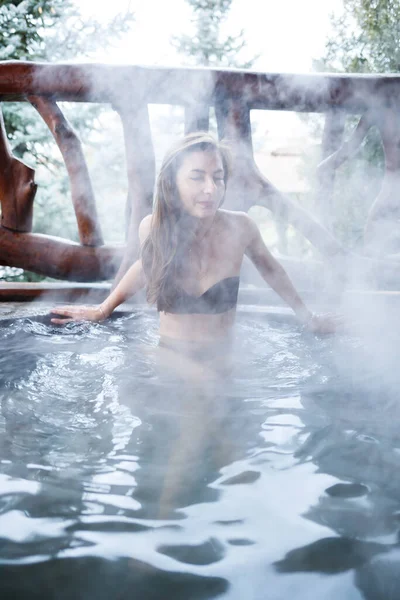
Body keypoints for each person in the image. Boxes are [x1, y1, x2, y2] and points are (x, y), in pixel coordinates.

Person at [50, 132, 341, 359]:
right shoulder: (154, 228)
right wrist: (103, 309)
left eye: (218, 178)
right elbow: (145, 267)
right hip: (171, 356)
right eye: (197, 177)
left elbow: (271, 269)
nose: (210, 189)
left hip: (224, 355)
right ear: (172, 182)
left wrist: (309, 318)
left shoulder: (241, 228)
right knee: (196, 426)